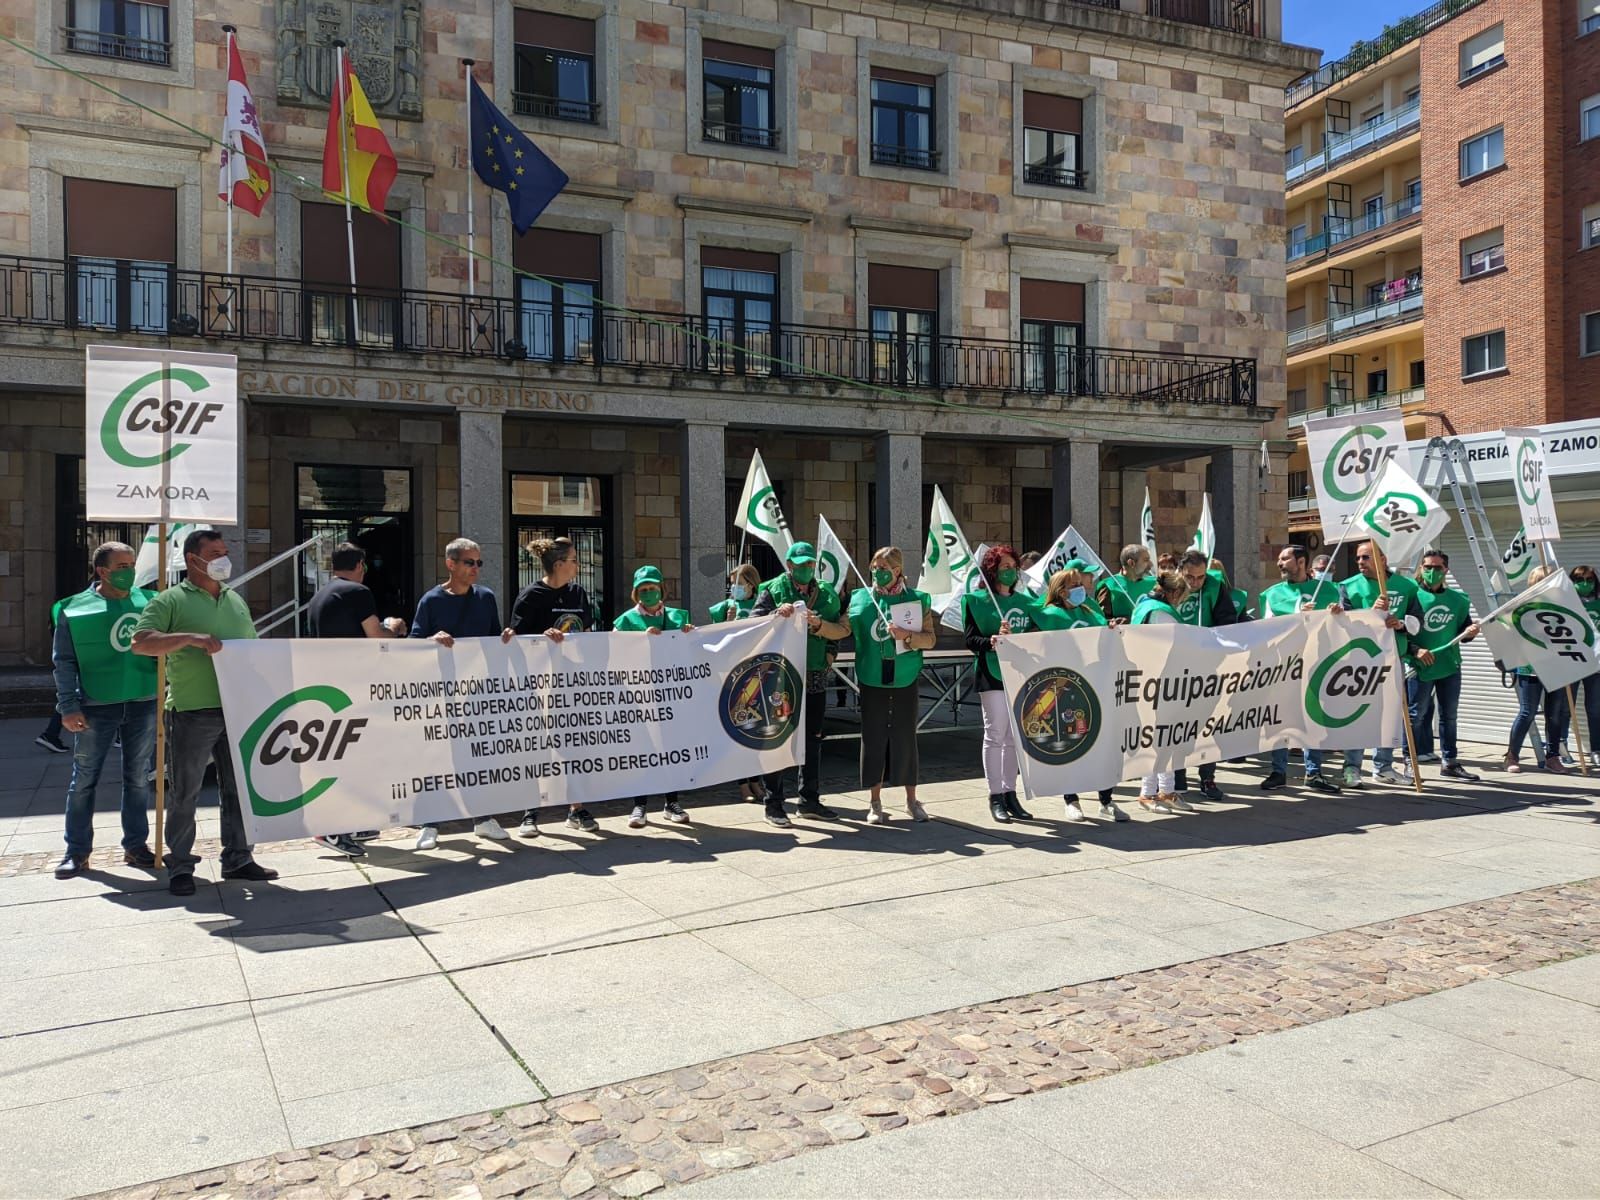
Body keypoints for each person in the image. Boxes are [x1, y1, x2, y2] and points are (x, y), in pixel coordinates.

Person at [131, 529, 279, 896]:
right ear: (192, 559)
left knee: (239, 788)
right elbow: (140, 642)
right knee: (185, 793)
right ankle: (181, 865)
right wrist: (188, 638)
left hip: (238, 709)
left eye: (224, 552)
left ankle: (239, 858)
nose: (223, 559)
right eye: (215, 554)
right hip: (192, 711)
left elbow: (251, 650)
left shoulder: (235, 599)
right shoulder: (170, 600)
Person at [51, 542, 158, 878]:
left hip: (143, 701)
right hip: (96, 706)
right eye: (122, 566)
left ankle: (136, 846)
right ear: (102, 570)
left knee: (138, 778)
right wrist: (68, 706)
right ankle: (77, 851)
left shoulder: (150, 602)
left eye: (132, 564)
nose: (130, 572)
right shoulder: (73, 609)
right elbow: (63, 661)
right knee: (84, 780)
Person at [409, 538, 512, 849]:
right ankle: (430, 823)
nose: (476, 568)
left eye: (479, 562)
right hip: (443, 694)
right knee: (438, 759)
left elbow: (493, 640)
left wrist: (506, 638)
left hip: (478, 693)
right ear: (450, 564)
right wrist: (432, 639)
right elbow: (414, 642)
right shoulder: (431, 600)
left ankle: (482, 819)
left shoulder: (486, 597)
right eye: (469, 562)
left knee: (477, 758)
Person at [306, 543, 407, 858]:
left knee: (348, 755)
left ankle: (352, 822)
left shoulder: (319, 596)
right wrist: (396, 629)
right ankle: (331, 829)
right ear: (361, 565)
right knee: (348, 759)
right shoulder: (357, 592)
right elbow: (375, 635)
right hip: (351, 685)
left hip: (329, 686)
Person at [502, 537, 601, 836]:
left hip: (571, 683)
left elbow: (587, 632)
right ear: (559, 565)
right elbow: (515, 640)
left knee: (574, 746)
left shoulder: (578, 593)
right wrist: (540, 638)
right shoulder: (531, 595)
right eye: (574, 560)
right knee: (539, 748)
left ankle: (576, 808)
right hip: (539, 687)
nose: (578, 565)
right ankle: (530, 811)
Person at [752, 543, 850, 827]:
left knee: (813, 739)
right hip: (780, 678)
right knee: (777, 739)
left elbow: (837, 627)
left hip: (815, 673)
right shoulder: (772, 590)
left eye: (810, 564)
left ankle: (809, 800)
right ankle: (773, 803)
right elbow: (752, 624)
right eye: (800, 564)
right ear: (789, 565)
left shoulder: (827, 593)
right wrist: (775, 614)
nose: (806, 568)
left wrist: (830, 653)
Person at [848, 547, 936, 825]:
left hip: (904, 676)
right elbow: (843, 628)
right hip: (872, 676)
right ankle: (875, 802)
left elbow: (930, 639)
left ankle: (912, 800)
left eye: (884, 568)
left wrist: (907, 636)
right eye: (874, 567)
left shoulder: (916, 599)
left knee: (905, 737)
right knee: (873, 738)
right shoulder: (861, 598)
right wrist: (817, 625)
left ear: (897, 570)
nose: (878, 572)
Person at [1033, 563, 1126, 823]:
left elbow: (1102, 634)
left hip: (1096, 683)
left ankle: (1106, 800)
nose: (1081, 588)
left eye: (1080, 584)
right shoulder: (1047, 614)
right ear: (1061, 591)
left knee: (1102, 743)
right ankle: (1071, 799)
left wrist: (1111, 628)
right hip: (1066, 687)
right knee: (1071, 742)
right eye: (1074, 585)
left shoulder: (1089, 609)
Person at [614, 565, 695, 827]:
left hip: (672, 695)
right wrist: (639, 640)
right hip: (640, 697)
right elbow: (613, 653)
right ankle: (639, 805)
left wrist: (690, 635)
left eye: (652, 587)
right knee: (643, 750)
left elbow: (692, 652)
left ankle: (672, 802)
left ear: (662, 589)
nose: (648, 592)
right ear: (636, 593)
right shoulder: (625, 621)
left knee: (672, 749)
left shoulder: (679, 617)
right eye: (643, 589)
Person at [964, 545, 1038, 824]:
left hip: (1020, 674)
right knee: (995, 734)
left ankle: (1010, 793)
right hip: (991, 673)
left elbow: (1039, 631)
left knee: (1013, 737)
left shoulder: (1027, 602)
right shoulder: (976, 601)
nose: (1011, 571)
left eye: (1013, 566)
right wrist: (992, 641)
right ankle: (995, 795)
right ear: (992, 570)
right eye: (1005, 566)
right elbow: (970, 640)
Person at [1258, 544, 1341, 793]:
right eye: (1279, 559)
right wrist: (1297, 615)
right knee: (1280, 719)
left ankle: (1314, 773)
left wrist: (1339, 613)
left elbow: (1344, 625)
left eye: (1285, 559)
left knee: (1313, 718)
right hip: (1284, 666)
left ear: (1302, 562)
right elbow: (1267, 631)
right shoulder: (1272, 594)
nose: (1279, 563)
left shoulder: (1330, 590)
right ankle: (1278, 771)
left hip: (1317, 663)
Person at [1339, 541, 1421, 786]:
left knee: (1389, 715)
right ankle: (1352, 768)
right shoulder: (1348, 586)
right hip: (1360, 661)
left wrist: (1400, 624)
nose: (1360, 562)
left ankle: (1383, 767)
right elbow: (1343, 624)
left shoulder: (1407, 586)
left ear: (1382, 559)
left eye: (1365, 557)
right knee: (1358, 715)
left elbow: (1418, 622)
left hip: (1393, 658)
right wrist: (1371, 614)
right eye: (1358, 558)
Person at [1407, 549, 1481, 783]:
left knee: (1449, 716)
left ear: (1446, 570)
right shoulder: (1411, 595)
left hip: (1449, 665)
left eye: (1437, 567)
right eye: (1427, 567)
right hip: (1419, 666)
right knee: (1415, 716)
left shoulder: (1458, 600)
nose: (1431, 572)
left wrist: (1470, 633)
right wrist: (1415, 651)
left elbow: (1462, 632)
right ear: (1421, 568)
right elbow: (1399, 631)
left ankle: (1449, 762)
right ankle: (1410, 762)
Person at [1172, 549, 1236, 800]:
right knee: (1177, 725)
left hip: (1208, 666)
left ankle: (1207, 777)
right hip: (1176, 667)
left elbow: (1228, 621)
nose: (1196, 582)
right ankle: (1177, 777)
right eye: (1190, 577)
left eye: (1200, 577)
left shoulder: (1215, 587)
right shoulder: (1170, 586)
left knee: (1209, 724)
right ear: (1180, 571)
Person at [1129, 571, 1194, 814]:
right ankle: (1147, 793)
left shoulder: (1144, 606)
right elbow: (1177, 645)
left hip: (1155, 677)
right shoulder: (1161, 613)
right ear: (1174, 593)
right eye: (1182, 597)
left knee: (1166, 737)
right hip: (1158, 680)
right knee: (1157, 738)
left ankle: (1166, 790)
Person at [711, 562, 771, 807]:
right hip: (733, 676)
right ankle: (742, 784)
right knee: (738, 729)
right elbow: (714, 639)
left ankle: (755, 779)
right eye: (732, 583)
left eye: (739, 583)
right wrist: (726, 623)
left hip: (757, 674)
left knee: (756, 730)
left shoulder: (762, 605)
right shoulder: (726, 607)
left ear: (751, 584)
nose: (734, 588)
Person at [1505, 565, 1570, 774]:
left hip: (1557, 666)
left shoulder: (1564, 606)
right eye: (1543, 580)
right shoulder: (1522, 607)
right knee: (1527, 712)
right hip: (1529, 667)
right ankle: (1511, 755)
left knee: (1555, 714)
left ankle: (1553, 756)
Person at [1571, 564, 1600, 768]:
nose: (1585, 584)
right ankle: (1558, 748)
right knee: (1564, 708)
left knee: (1595, 708)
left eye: (1589, 580)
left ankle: (1596, 749)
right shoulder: (1566, 603)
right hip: (1570, 660)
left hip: (1596, 662)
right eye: (1579, 580)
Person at [1096, 545, 1154, 625]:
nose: (1151, 565)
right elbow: (1101, 620)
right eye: (1146, 560)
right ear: (1131, 563)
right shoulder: (1109, 586)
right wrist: (1125, 621)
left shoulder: (1154, 583)